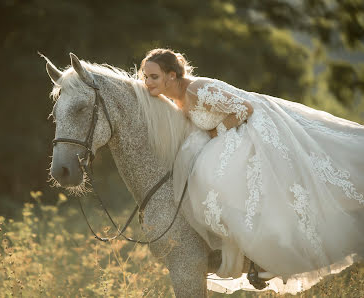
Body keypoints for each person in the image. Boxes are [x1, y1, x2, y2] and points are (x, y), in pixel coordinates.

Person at [139, 48, 364, 293]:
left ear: (171, 75)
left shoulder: (195, 90)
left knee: (216, 175)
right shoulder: (175, 98)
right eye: (145, 76)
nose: (147, 82)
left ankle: (266, 251)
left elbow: (244, 108)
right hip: (234, 131)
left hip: (252, 128)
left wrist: (216, 134)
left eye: (153, 76)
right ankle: (257, 249)